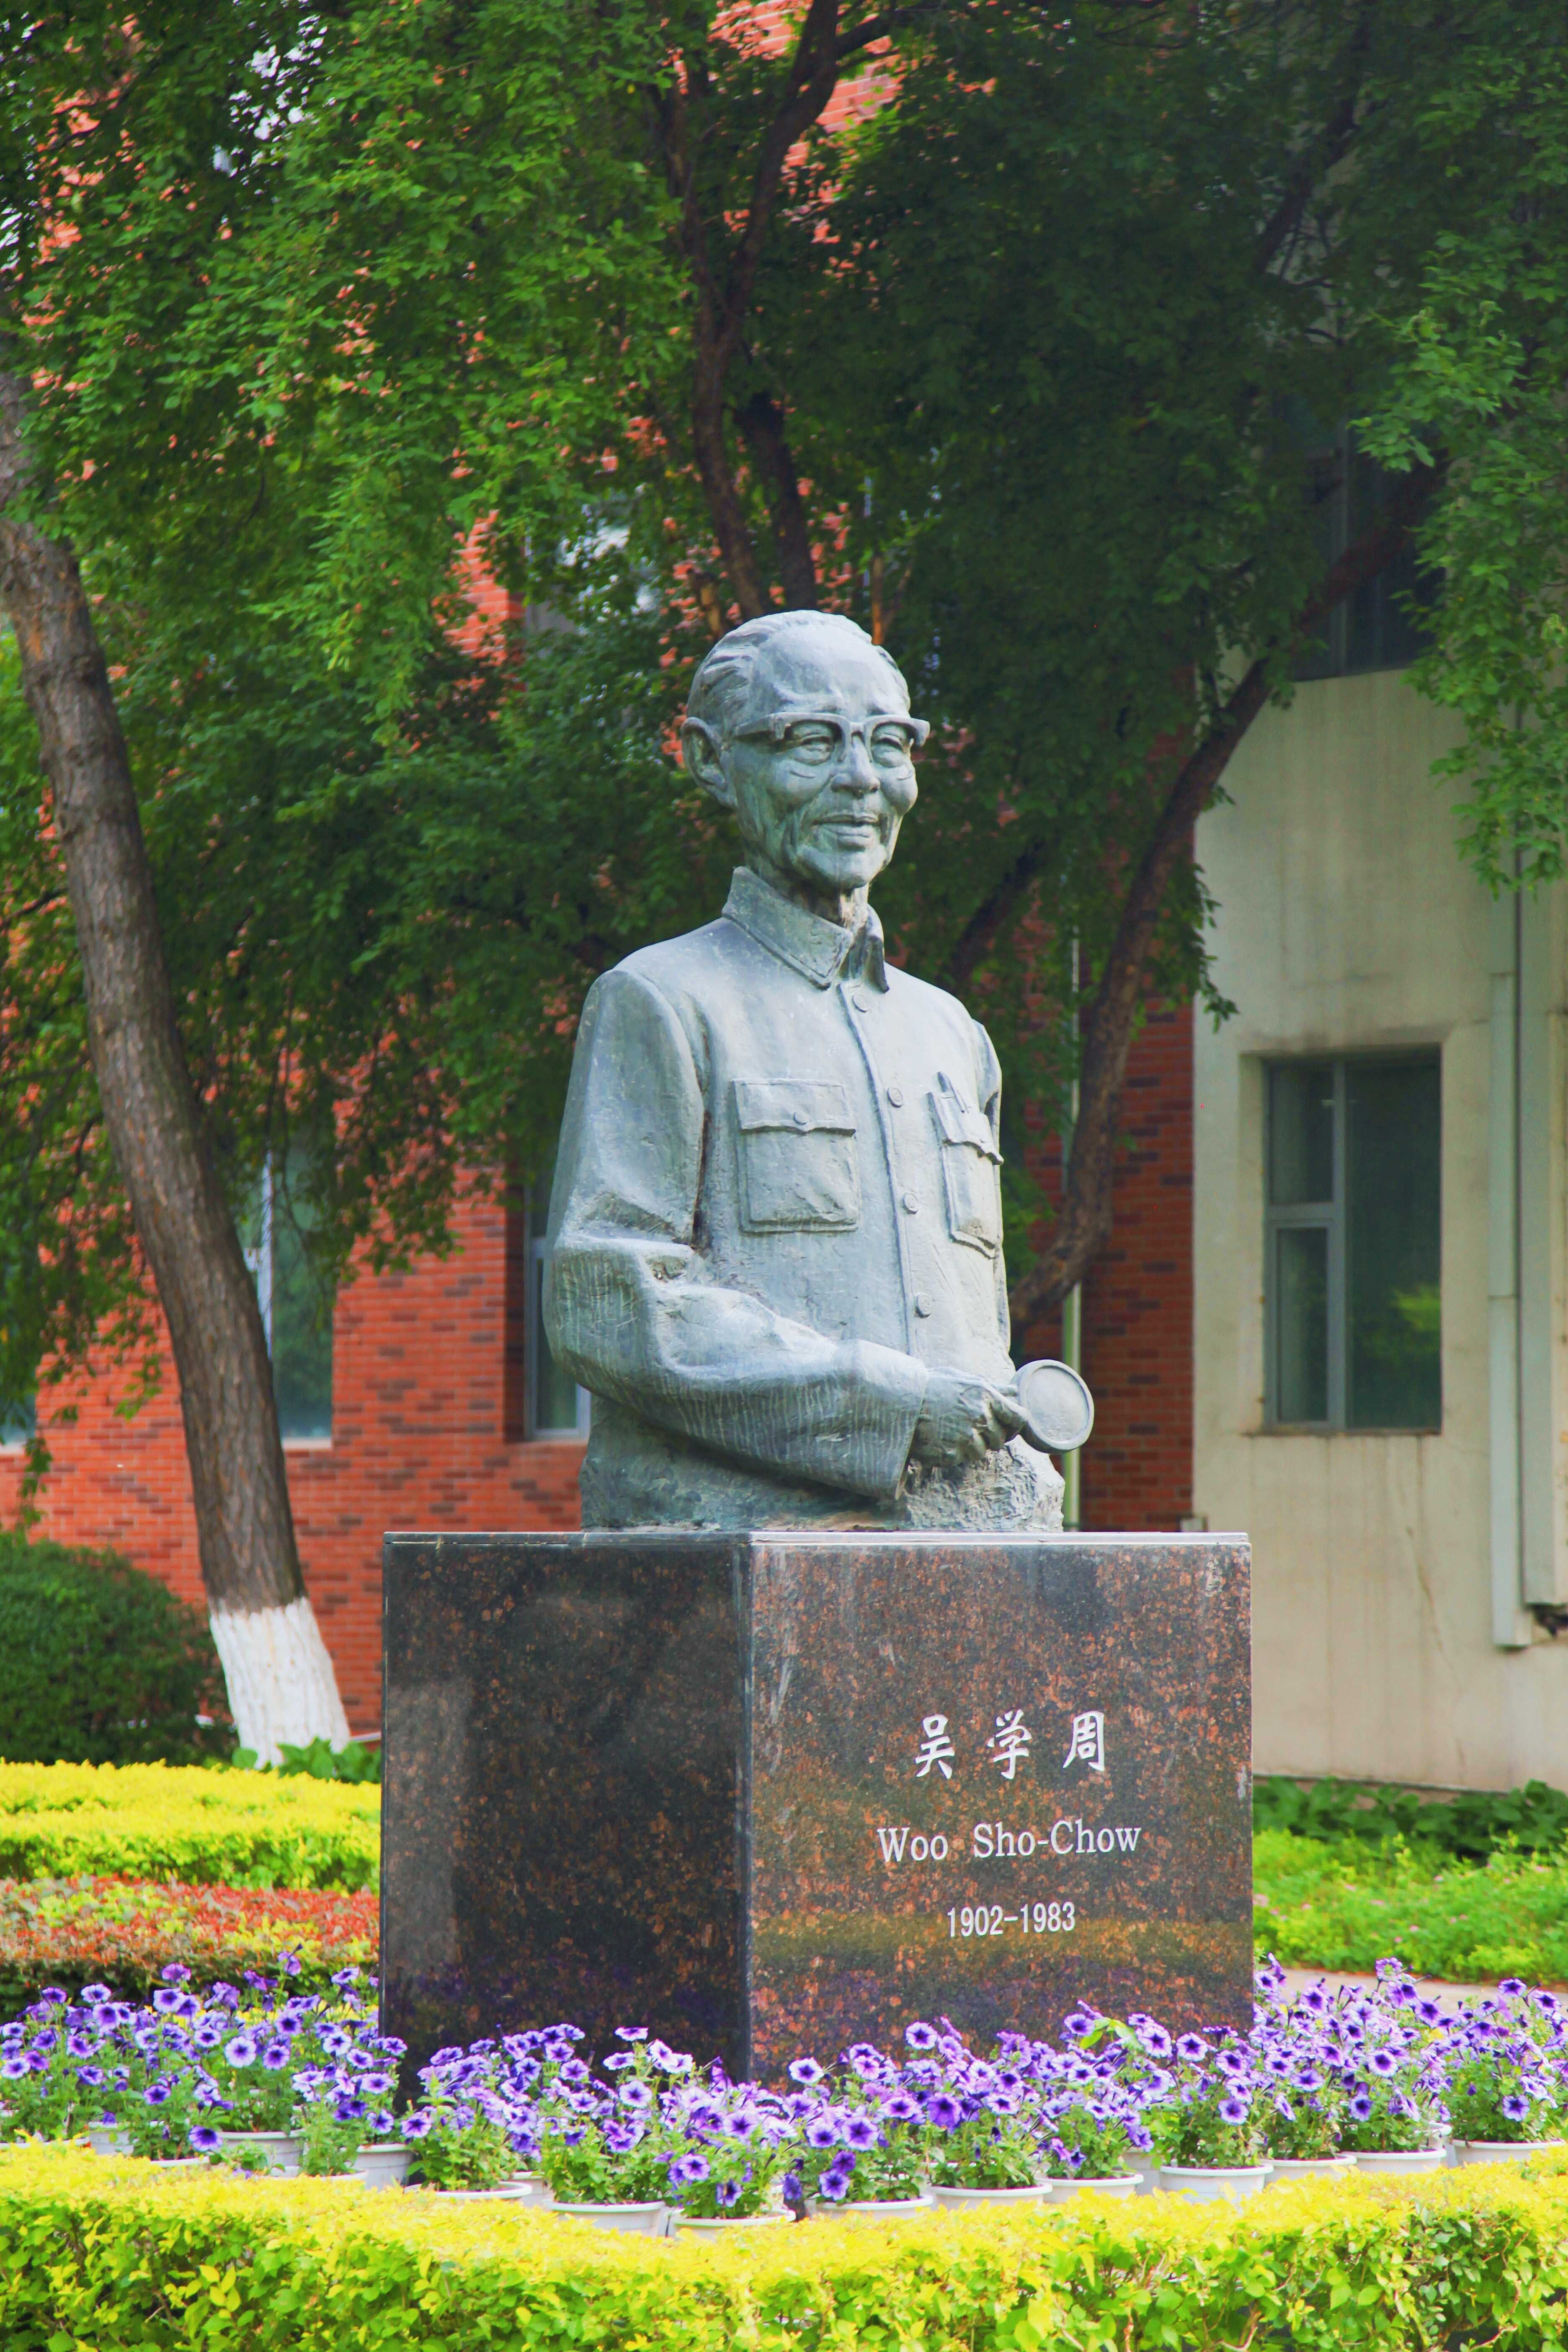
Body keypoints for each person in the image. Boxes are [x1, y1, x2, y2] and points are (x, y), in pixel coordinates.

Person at [544, 609, 1063, 1532]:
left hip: (972, 1530)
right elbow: (609, 1300)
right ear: (712, 761)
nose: (861, 779)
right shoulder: (660, 1001)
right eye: (812, 742)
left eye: (888, 744)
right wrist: (891, 1407)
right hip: (747, 1533)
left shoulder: (952, 1033)